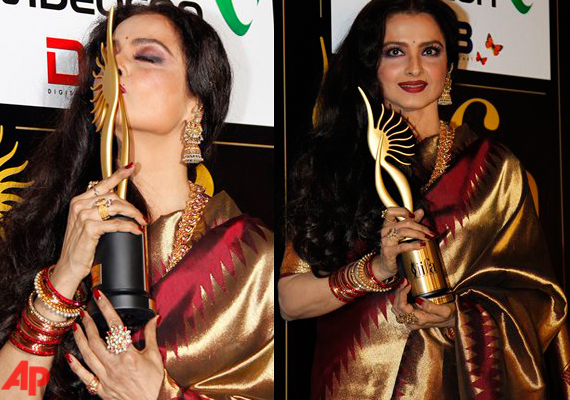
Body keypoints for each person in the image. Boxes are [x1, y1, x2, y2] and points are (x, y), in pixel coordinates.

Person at [279, 0, 568, 399]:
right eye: (394, 51)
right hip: (352, 384)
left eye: (430, 51)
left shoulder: (494, 169)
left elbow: (536, 302)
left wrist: (457, 316)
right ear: (371, 66)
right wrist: (376, 269)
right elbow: (289, 301)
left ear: (448, 66)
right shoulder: (332, 166)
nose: (414, 68)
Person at [0, 3, 274, 399]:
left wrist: (158, 394)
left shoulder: (251, 257)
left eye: (147, 56)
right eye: (107, 59)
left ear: (196, 101)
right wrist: (63, 277)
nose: (118, 68)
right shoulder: (59, 225)